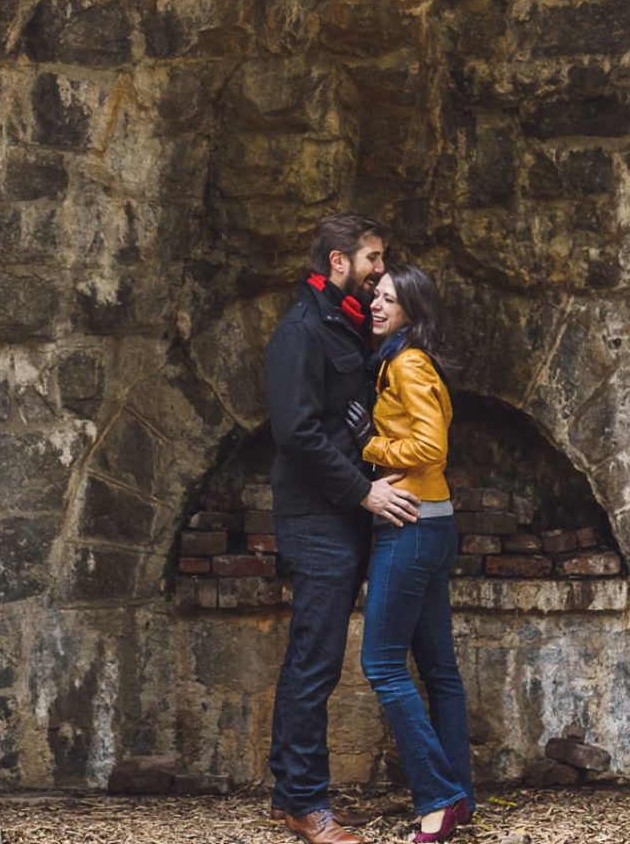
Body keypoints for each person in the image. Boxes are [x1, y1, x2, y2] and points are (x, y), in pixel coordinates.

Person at [265, 214, 424, 844]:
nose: (380, 270)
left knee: (317, 659)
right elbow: (297, 433)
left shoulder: (346, 323)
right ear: (338, 261)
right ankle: (306, 805)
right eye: (372, 259)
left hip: (344, 516)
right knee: (315, 662)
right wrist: (364, 492)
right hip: (316, 518)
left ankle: (293, 796)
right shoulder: (300, 331)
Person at [359, 264, 473, 843]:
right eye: (375, 297)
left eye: (389, 300)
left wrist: (368, 445)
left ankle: (440, 798)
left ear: (412, 310)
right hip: (433, 520)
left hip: (411, 524)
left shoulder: (407, 363)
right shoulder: (402, 360)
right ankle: (460, 797)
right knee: (439, 671)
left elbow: (431, 446)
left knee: (381, 664)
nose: (377, 306)